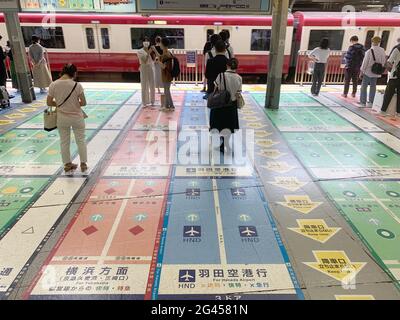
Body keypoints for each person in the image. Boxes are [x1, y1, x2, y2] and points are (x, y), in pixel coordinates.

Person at [46, 64, 88, 173]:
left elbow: (49, 102)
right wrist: (73, 104)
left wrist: (60, 104)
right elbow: (83, 103)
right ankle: (83, 164)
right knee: (81, 140)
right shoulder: (77, 85)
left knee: (64, 142)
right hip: (77, 118)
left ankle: (67, 165)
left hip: (62, 118)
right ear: (74, 73)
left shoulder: (53, 84)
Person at [210, 58, 241, 154]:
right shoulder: (239, 78)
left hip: (220, 105)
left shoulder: (220, 76)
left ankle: (222, 144)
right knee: (229, 126)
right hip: (232, 106)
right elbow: (238, 93)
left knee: (219, 125)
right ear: (236, 67)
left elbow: (215, 89)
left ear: (227, 65)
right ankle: (226, 143)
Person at [359, 36, 387, 107]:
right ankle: (371, 102)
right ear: (379, 42)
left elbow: (365, 63)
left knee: (364, 87)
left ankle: (363, 102)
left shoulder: (369, 51)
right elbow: (384, 61)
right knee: (373, 86)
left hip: (368, 71)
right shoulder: (382, 50)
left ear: (372, 41)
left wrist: (361, 72)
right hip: (376, 71)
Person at [380, 46, 400, 117]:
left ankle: (383, 111)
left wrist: (392, 70)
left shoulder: (397, 49)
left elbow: (389, 62)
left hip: (394, 76)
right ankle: (398, 112)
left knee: (388, 94)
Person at [156, 37, 175, 111]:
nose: (159, 44)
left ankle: (169, 106)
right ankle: (168, 106)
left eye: (160, 43)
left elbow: (163, 66)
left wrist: (158, 62)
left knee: (166, 91)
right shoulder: (167, 52)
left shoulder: (166, 54)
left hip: (166, 75)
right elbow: (161, 57)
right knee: (167, 91)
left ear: (163, 44)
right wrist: (155, 50)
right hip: (167, 75)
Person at [137, 36, 155, 107]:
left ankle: (152, 101)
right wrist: (148, 53)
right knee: (144, 85)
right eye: (145, 41)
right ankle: (144, 102)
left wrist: (153, 52)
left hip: (151, 68)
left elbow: (154, 60)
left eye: (147, 41)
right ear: (142, 42)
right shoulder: (139, 51)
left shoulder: (151, 51)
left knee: (152, 84)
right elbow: (144, 61)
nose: (146, 42)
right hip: (144, 68)